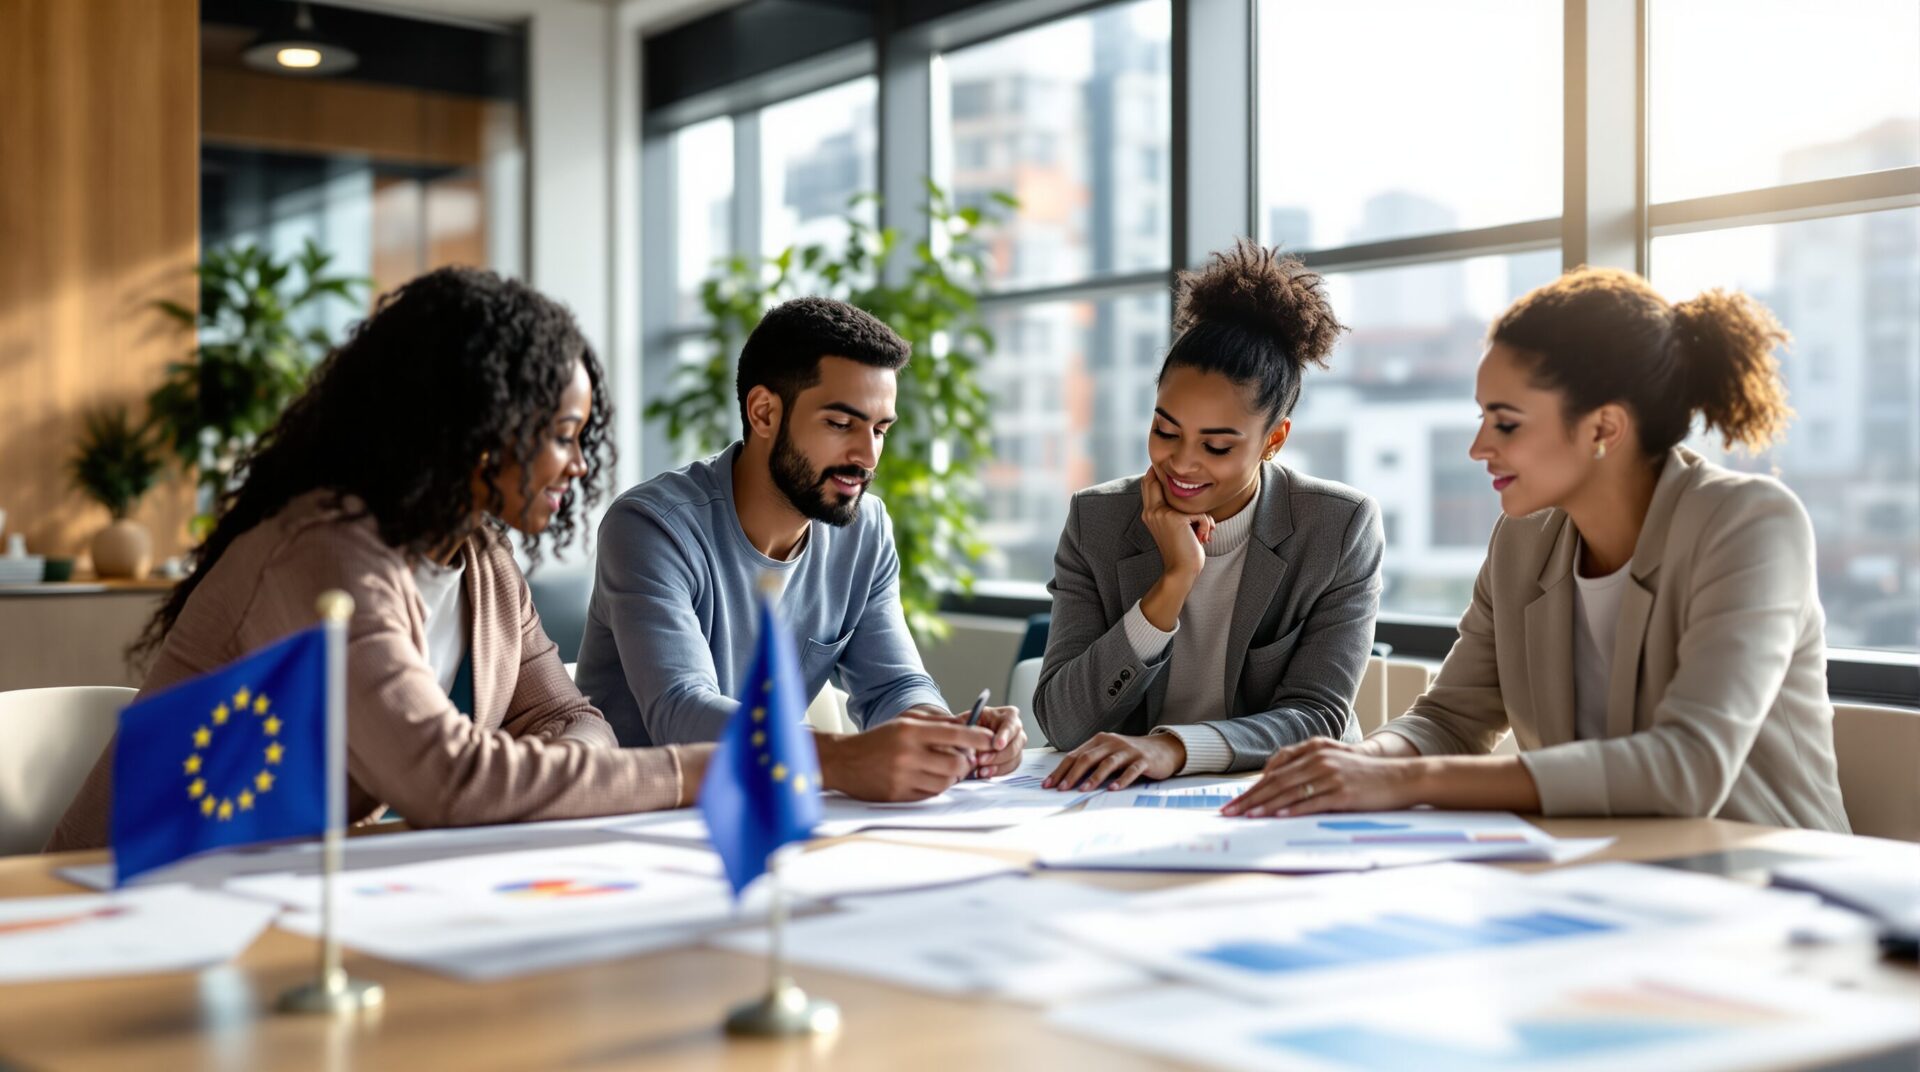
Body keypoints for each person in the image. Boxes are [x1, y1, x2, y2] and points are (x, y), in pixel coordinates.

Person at [48, 268, 707, 852]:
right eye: (564, 436)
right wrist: (691, 772)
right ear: (481, 429)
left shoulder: (485, 562)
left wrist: (526, 778)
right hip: (124, 894)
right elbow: (446, 781)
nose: (580, 465)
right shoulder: (321, 555)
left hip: (281, 890)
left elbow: (573, 720)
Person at [1227, 267, 1851, 833]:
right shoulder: (1523, 540)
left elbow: (1687, 767)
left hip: (1776, 885)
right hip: (1603, 873)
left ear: (1603, 427)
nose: (1478, 447)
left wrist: (1404, 780)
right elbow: (1450, 720)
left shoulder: (1750, 524)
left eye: (1505, 422)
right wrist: (1358, 762)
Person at [575, 297, 1024, 802]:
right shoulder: (651, 527)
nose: (867, 456)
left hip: (770, 808)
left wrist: (946, 735)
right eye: (841, 424)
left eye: (880, 429)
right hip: (637, 815)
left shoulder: (865, 530)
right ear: (764, 412)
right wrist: (843, 758)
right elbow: (681, 712)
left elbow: (894, 687)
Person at [1034, 240, 1384, 792]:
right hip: (1125, 801)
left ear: (1274, 440)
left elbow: (1318, 716)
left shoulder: (1339, 528)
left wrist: (1173, 748)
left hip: (1277, 793)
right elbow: (1062, 721)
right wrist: (1173, 582)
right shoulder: (1096, 521)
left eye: (1217, 446)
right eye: (1165, 430)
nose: (1182, 463)